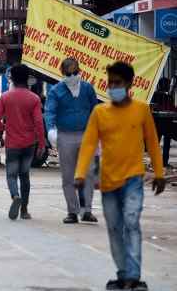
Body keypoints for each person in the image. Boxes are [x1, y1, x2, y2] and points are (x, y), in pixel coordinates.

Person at [75, 62, 165, 291]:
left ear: (129, 84)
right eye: (110, 82)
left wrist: (160, 173)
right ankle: (122, 274)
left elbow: (153, 142)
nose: (112, 86)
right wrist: (80, 174)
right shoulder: (100, 112)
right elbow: (88, 144)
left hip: (133, 178)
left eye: (117, 82)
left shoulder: (141, 109)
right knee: (114, 229)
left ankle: (134, 277)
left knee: (132, 223)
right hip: (108, 182)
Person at [44, 58, 99, 224]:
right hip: (65, 136)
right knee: (68, 176)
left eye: (75, 72)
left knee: (88, 174)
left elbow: (94, 109)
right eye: (69, 73)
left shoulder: (88, 88)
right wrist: (51, 130)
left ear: (80, 71)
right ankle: (72, 211)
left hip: (86, 135)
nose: (73, 76)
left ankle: (87, 210)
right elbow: (49, 112)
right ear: (63, 73)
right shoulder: (56, 91)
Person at [0, 64, 45, 220]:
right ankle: (24, 210)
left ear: (12, 79)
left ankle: (15, 195)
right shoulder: (34, 98)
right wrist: (41, 143)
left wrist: (4, 128)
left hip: (12, 143)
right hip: (29, 143)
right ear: (27, 79)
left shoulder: (5, 97)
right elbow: (38, 122)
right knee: (25, 176)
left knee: (11, 175)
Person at [151, 77, 176, 168]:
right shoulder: (165, 95)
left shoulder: (156, 94)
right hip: (165, 122)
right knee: (165, 144)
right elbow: (171, 108)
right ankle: (163, 163)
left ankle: (157, 163)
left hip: (159, 122)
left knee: (157, 144)